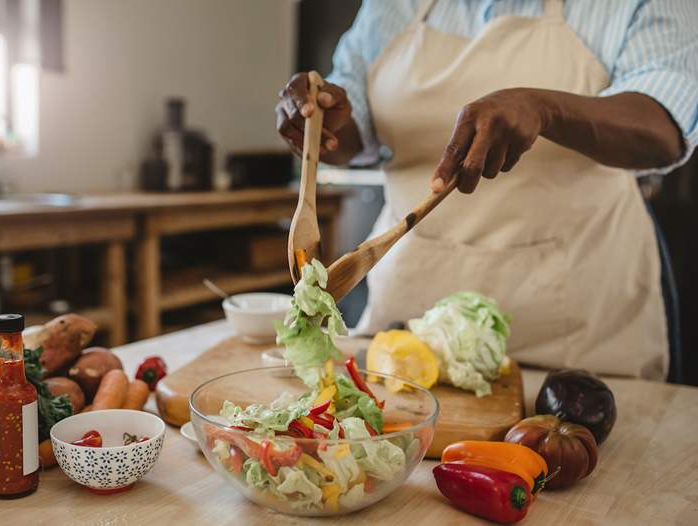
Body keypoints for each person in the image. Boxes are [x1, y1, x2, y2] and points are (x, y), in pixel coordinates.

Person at [276, 0, 698, 380]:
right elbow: (356, 128)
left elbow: (664, 126)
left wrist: (545, 108)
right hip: (407, 329)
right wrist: (322, 121)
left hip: (580, 343)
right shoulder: (393, 6)